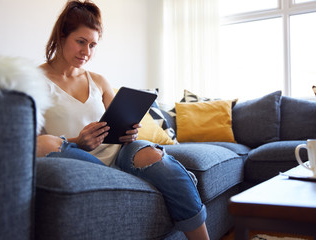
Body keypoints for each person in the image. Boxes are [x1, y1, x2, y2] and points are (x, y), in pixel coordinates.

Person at [37, 1, 209, 239]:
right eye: (80, 42)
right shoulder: (33, 82)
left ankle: (176, 184)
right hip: (76, 159)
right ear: (62, 36)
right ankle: (158, 178)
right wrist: (78, 141)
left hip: (118, 153)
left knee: (151, 154)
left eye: (93, 45)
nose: (87, 51)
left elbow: (119, 121)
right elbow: (30, 144)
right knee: (43, 143)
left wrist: (130, 132)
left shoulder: (98, 81)